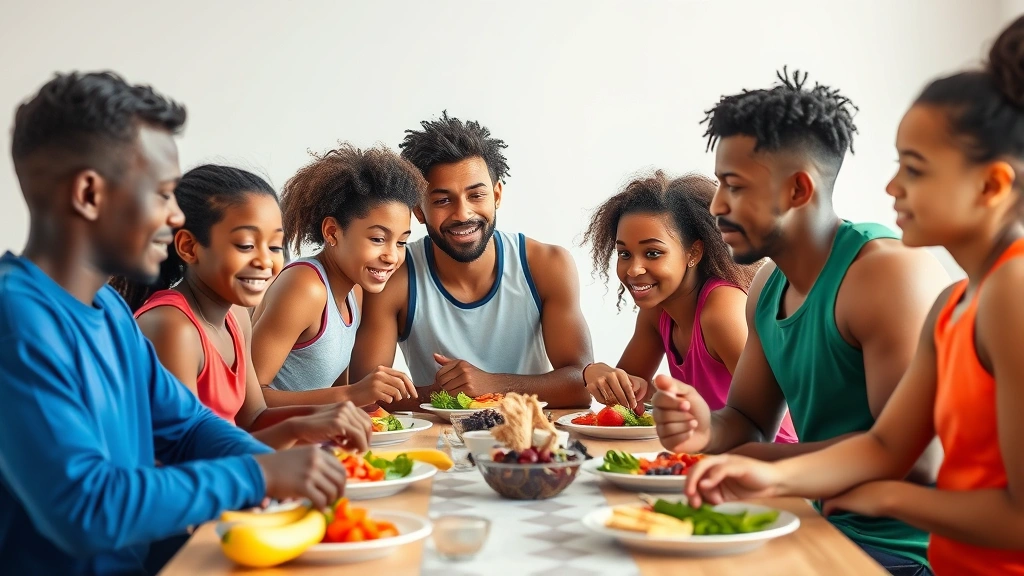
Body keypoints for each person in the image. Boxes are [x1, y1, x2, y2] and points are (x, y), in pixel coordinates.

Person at [682, 19, 1024, 576]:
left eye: (913, 168)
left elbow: (1005, 514)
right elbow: (885, 444)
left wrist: (887, 498)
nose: (891, 188)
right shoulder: (953, 305)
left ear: (991, 187)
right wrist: (772, 475)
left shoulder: (1011, 290)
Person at [0, 71, 348, 575]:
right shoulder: (18, 322)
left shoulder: (109, 310)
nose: (174, 216)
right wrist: (257, 475)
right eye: (163, 194)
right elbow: (86, 508)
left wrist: (283, 470)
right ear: (90, 194)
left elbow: (185, 425)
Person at [651, 69, 949, 574]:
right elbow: (747, 420)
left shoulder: (885, 275)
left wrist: (757, 466)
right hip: (814, 521)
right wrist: (705, 428)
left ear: (797, 190)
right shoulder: (766, 286)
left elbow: (915, 461)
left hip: (904, 553)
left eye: (734, 186)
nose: (717, 205)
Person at [112, 164, 373, 450]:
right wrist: (295, 435)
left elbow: (253, 418)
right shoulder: (172, 327)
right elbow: (181, 453)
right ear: (189, 247)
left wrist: (318, 419)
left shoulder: (236, 316)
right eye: (246, 245)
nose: (265, 261)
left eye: (275, 246)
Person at [350, 112, 593, 409]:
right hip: (438, 443)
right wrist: (445, 394)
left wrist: (493, 385)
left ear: (497, 194)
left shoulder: (547, 265)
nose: (463, 213)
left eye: (476, 195)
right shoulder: (395, 276)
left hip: (534, 440)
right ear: (419, 210)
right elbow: (365, 396)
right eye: (442, 200)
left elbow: (581, 384)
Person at [580, 170, 796, 442]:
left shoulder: (721, 312)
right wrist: (595, 373)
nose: (633, 269)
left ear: (693, 252)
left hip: (772, 461)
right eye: (624, 253)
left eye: (653, 253)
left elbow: (773, 428)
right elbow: (625, 404)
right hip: (715, 455)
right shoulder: (656, 312)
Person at [250, 144, 423, 408]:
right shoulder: (305, 287)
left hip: (313, 439)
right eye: (378, 239)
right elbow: (247, 397)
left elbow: (335, 394)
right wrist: (354, 394)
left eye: (400, 243)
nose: (392, 256)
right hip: (266, 444)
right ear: (332, 232)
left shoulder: (354, 292)